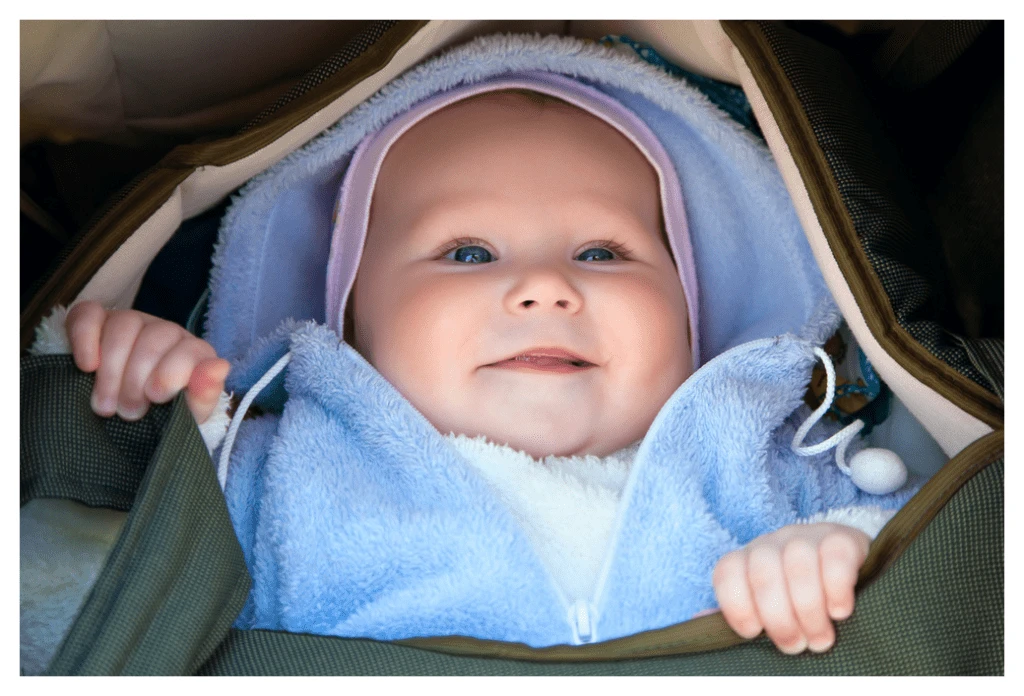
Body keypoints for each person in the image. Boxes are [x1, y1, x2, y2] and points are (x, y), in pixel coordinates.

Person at [57, 43, 909, 654]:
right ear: (349, 323)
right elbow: (77, 574)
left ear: (695, 316)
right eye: (468, 253)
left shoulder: (766, 458)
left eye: (603, 252)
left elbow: (929, 551)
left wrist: (842, 547)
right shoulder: (269, 466)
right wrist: (129, 399)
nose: (545, 287)